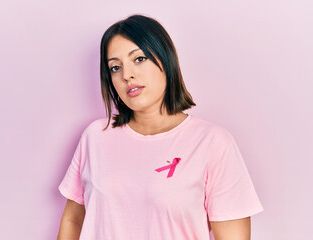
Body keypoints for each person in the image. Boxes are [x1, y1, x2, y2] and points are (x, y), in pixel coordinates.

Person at [57, 14, 264, 240]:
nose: (127, 75)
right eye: (115, 67)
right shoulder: (95, 137)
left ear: (166, 60)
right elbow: (73, 218)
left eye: (139, 59)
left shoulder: (213, 143)